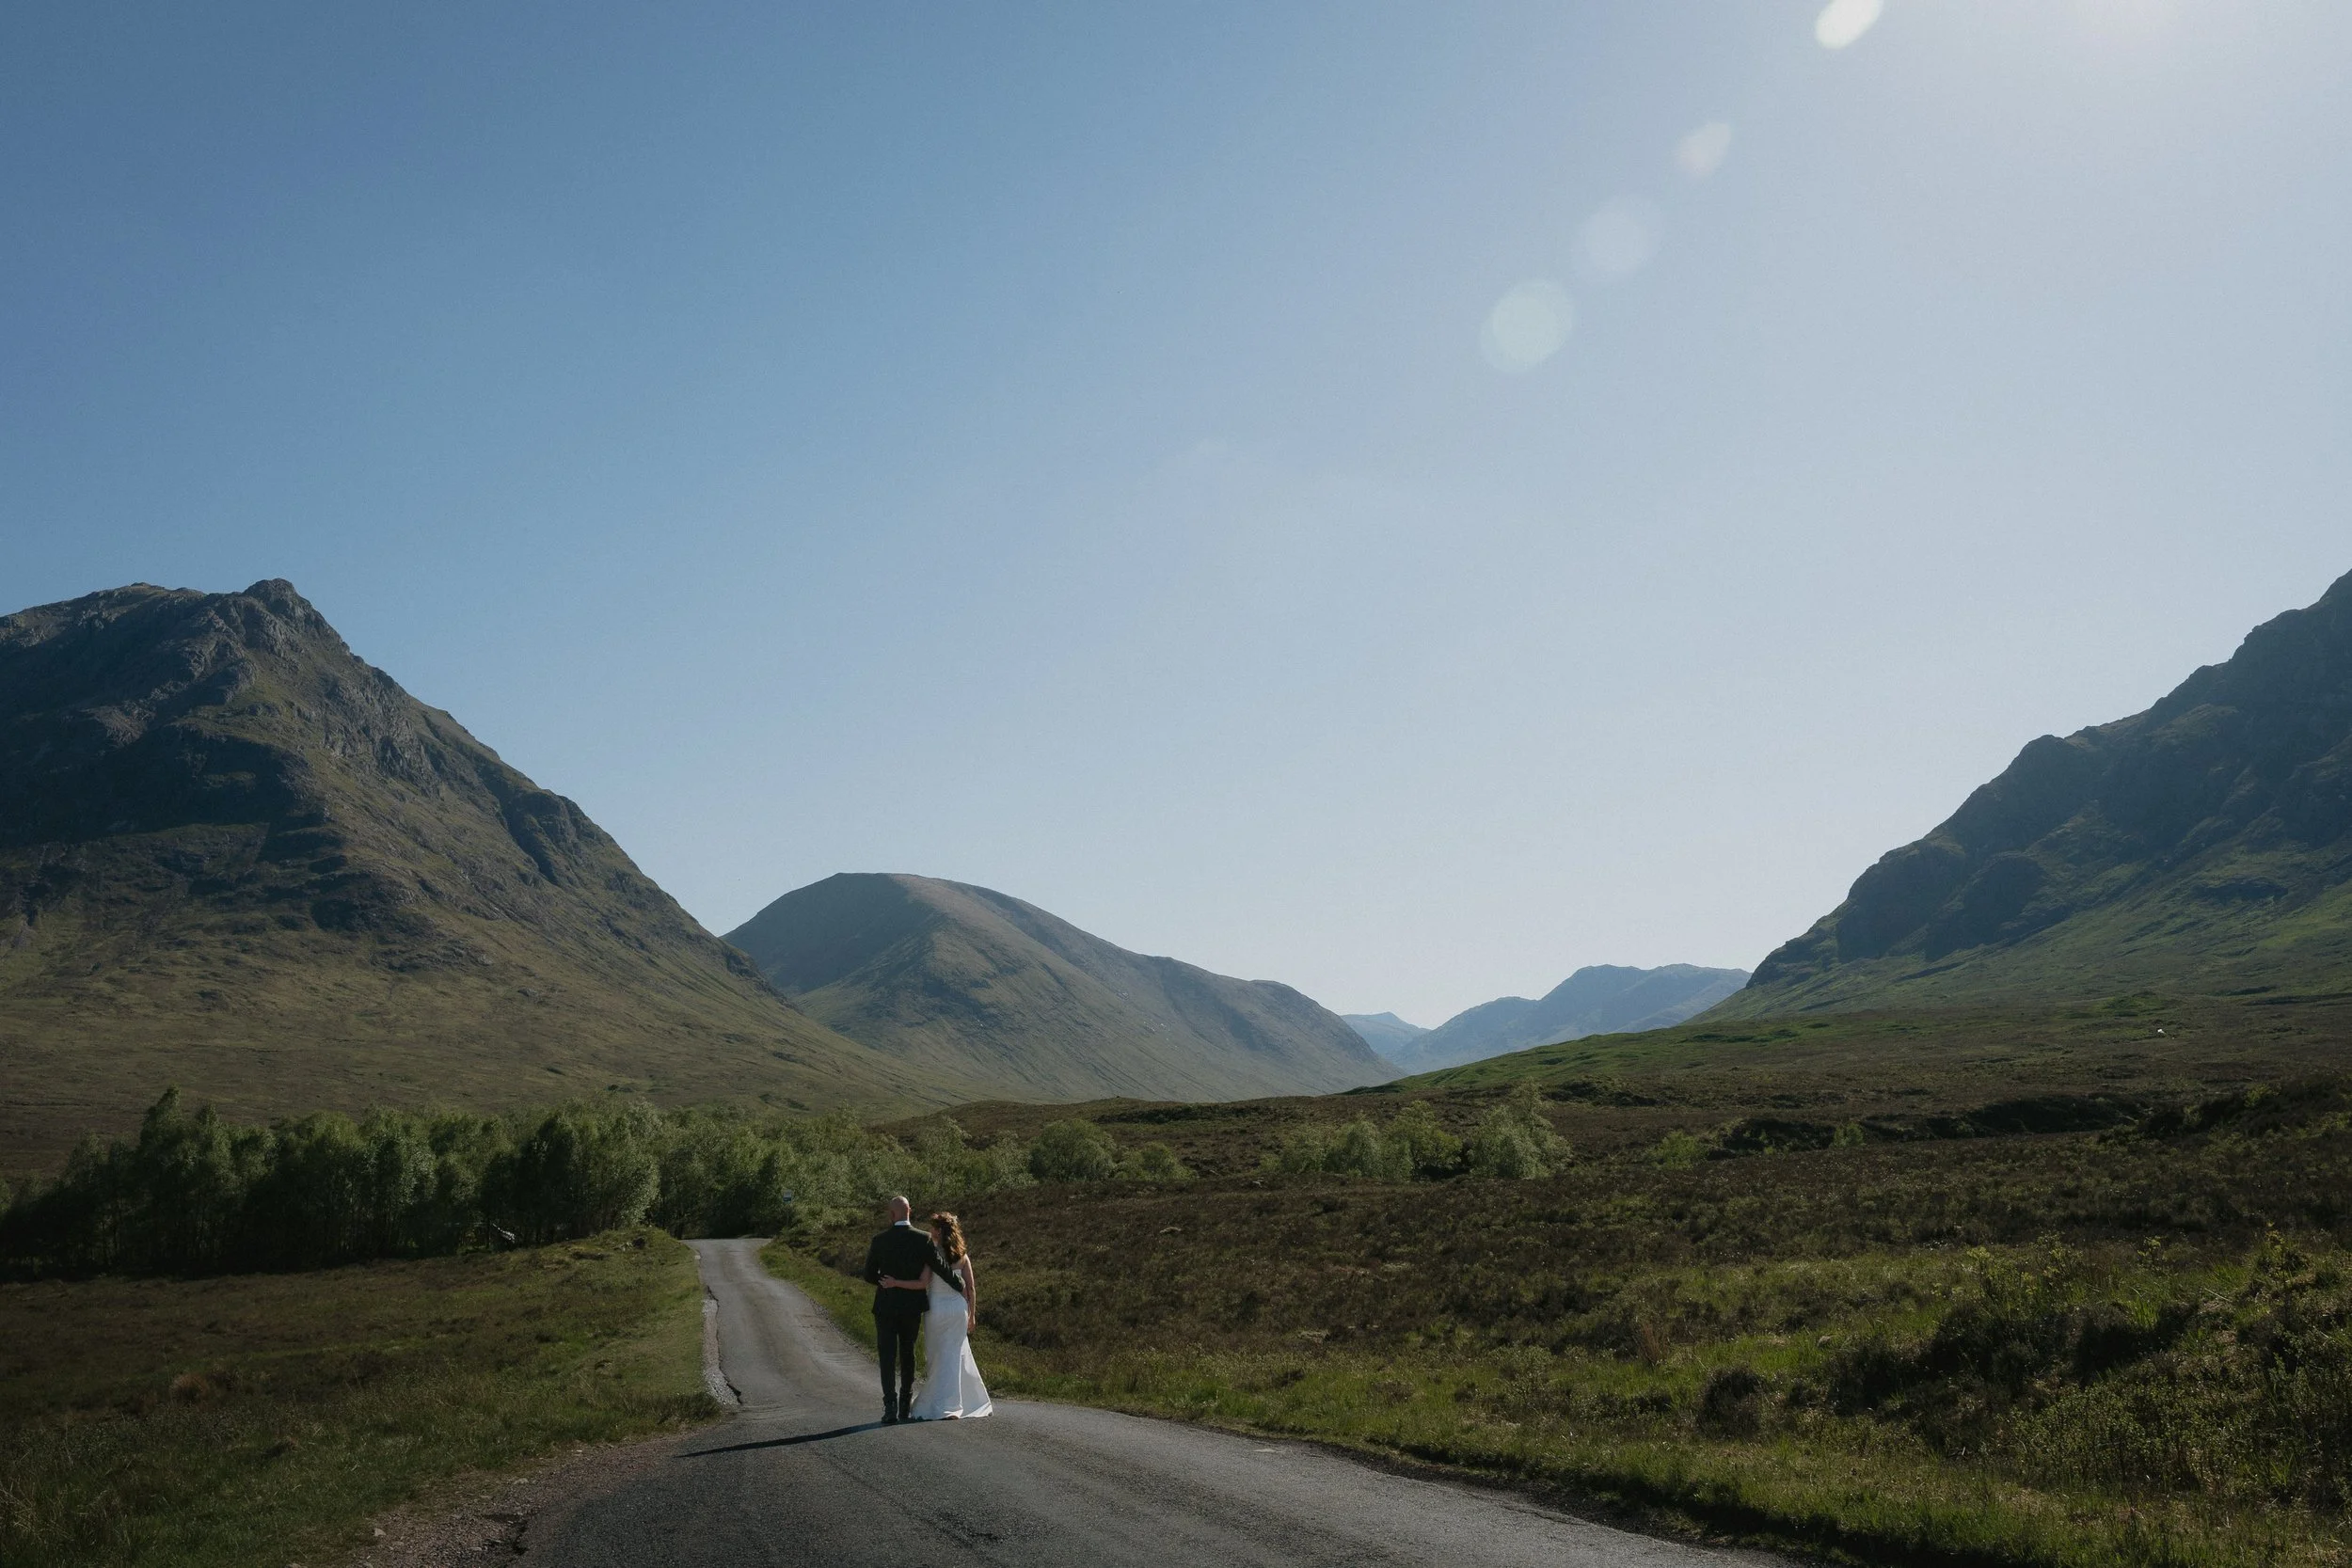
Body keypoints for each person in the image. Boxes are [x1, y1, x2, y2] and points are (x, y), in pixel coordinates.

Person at [904, 1211, 993, 1421]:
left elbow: (924, 1282)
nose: (930, 1231)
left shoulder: (932, 1254)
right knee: (955, 1355)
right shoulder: (962, 1256)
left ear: (939, 1231)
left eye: (933, 1227)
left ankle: (947, 1405)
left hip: (937, 1309)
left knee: (938, 1357)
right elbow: (970, 1289)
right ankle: (967, 1401)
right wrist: (972, 1315)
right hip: (957, 1310)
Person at [862, 1195, 940, 1423]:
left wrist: (884, 1281)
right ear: (910, 1211)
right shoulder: (923, 1238)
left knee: (887, 1356)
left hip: (886, 1305)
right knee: (908, 1353)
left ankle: (890, 1407)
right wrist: (960, 1286)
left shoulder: (879, 1240)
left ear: (892, 1214)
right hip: (912, 1306)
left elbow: (868, 1274)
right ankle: (905, 1402)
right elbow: (938, 1267)